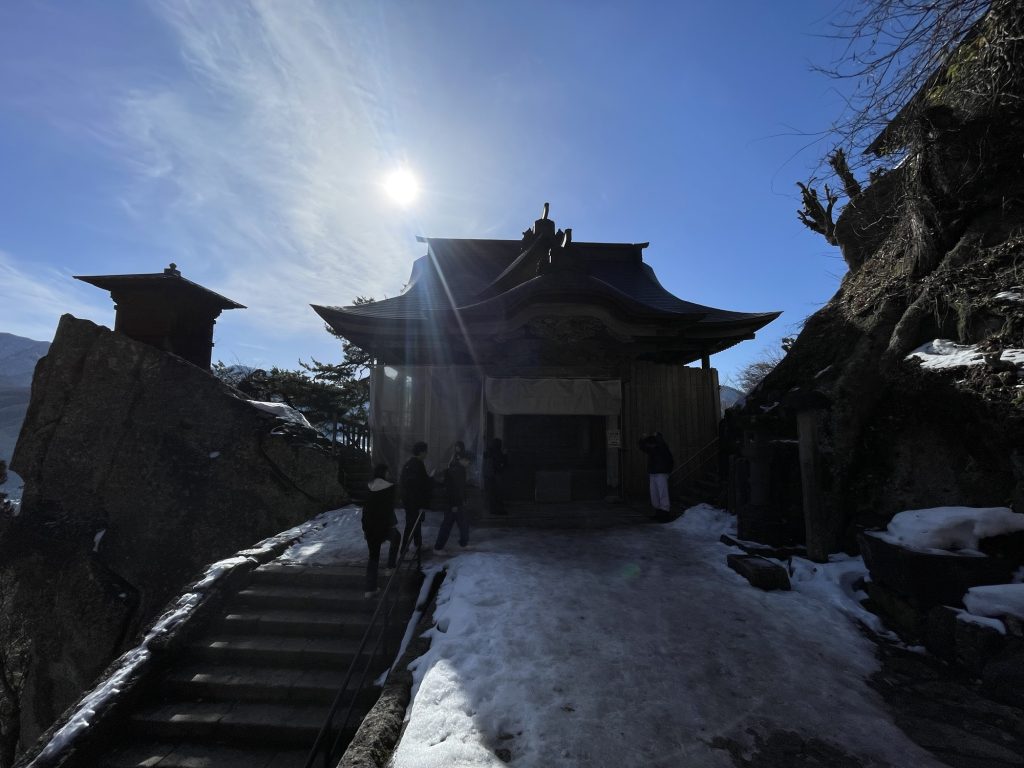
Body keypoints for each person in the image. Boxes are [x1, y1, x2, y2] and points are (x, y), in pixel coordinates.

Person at [361, 463, 401, 598]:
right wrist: (392, 524)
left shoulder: (369, 488)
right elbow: (388, 509)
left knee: (373, 557)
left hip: (371, 528)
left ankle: (369, 589)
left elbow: (365, 511)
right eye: (387, 472)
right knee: (396, 537)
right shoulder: (388, 489)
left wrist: (365, 529)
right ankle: (390, 567)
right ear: (384, 473)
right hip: (384, 526)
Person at [434, 451, 473, 553]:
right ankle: (438, 547)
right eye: (469, 461)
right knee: (448, 525)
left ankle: (463, 543)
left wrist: (463, 499)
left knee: (461, 524)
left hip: (456, 502)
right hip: (454, 503)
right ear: (464, 460)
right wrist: (454, 504)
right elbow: (453, 489)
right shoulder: (457, 471)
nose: (469, 464)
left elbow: (460, 488)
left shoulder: (458, 469)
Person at [399, 441, 431, 553]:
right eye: (426, 452)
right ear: (421, 452)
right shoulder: (417, 464)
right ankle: (404, 547)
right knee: (411, 523)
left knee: (414, 522)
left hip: (408, 498)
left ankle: (417, 544)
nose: (427, 454)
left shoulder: (408, 464)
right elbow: (422, 482)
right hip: (413, 499)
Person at [639, 432, 674, 518]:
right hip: (654, 472)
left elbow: (669, 460)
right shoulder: (655, 448)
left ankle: (665, 512)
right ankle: (659, 512)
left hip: (661, 473)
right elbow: (643, 447)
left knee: (662, 493)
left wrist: (645, 439)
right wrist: (642, 440)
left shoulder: (662, 447)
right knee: (655, 493)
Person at [483, 437, 507, 515]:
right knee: (497, 493)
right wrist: (505, 455)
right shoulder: (497, 453)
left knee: (491, 494)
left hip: (488, 476)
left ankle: (492, 509)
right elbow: (500, 464)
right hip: (496, 475)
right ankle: (497, 510)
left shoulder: (488, 452)